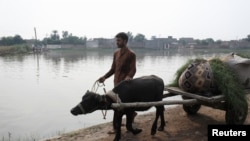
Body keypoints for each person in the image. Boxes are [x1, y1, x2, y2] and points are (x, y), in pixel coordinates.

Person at [98, 32, 137, 134]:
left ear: (125, 41)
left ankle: (115, 128)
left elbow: (133, 70)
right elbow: (113, 69)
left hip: (126, 85)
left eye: (119, 40)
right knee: (119, 104)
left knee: (117, 106)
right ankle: (132, 115)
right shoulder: (116, 53)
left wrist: (129, 77)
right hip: (116, 83)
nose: (117, 42)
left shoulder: (131, 54)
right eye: (116, 40)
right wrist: (104, 77)